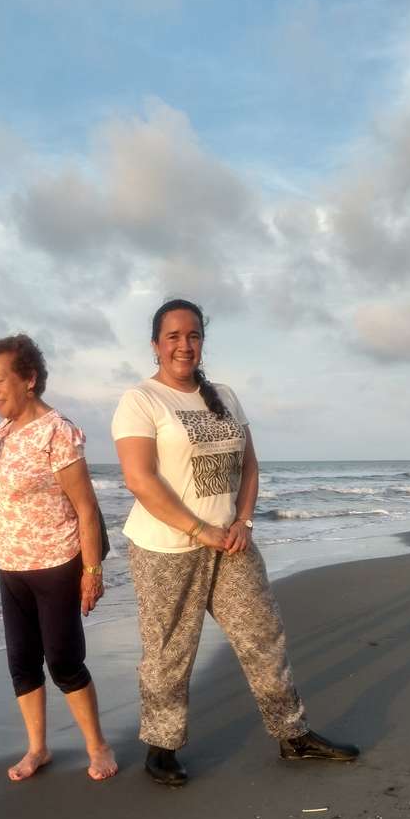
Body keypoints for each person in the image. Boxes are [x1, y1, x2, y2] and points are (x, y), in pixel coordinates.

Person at [112, 298, 359, 785]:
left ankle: (294, 735)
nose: (185, 345)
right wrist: (201, 530)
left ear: (203, 341)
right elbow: (140, 480)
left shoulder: (223, 394)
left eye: (194, 335)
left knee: (264, 635)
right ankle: (162, 749)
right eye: (174, 336)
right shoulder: (141, 400)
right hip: (165, 548)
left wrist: (243, 521)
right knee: (168, 650)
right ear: (156, 345)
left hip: (230, 544)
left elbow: (249, 465)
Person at [0, 334, 117, 783]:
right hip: (11, 568)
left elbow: (87, 507)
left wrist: (92, 572)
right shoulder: (0, 434)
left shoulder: (57, 431)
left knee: (64, 660)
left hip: (56, 563)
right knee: (22, 663)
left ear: (29, 379)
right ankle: (37, 748)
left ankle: (98, 746)